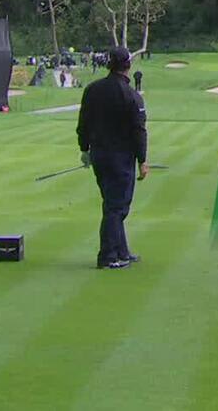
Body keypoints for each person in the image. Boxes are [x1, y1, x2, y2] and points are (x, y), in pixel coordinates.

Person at [77, 46, 149, 270]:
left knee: (112, 203)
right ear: (128, 65)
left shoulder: (92, 90)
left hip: (99, 155)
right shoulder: (132, 96)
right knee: (116, 207)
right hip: (121, 158)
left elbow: (83, 123)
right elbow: (139, 131)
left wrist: (84, 149)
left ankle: (121, 251)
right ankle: (108, 256)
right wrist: (142, 160)